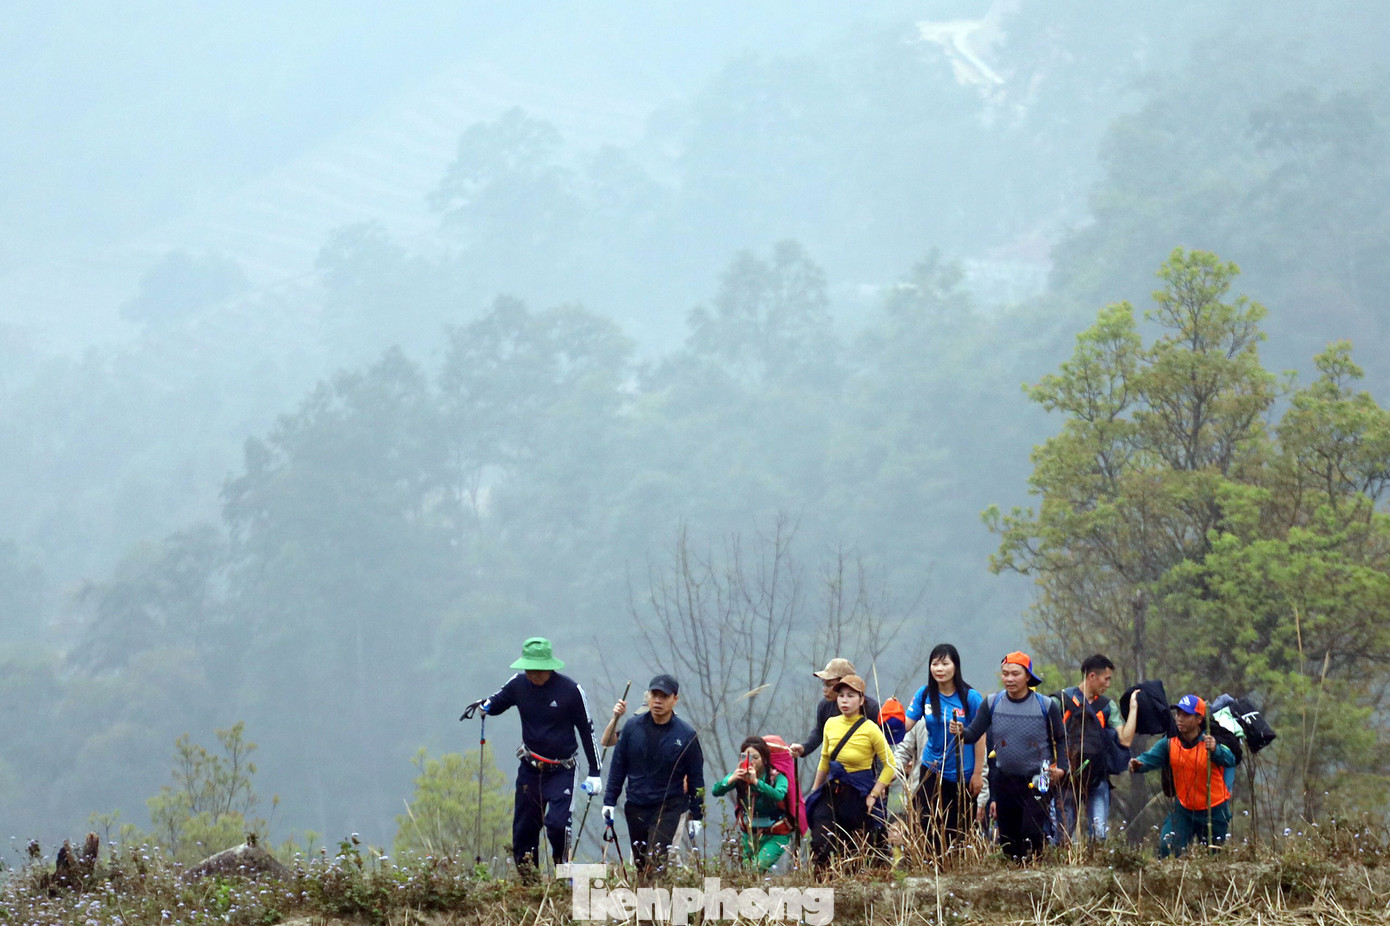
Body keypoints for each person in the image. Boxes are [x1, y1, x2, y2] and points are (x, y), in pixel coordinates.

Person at [461, 637, 601, 879]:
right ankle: (529, 883)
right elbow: (499, 700)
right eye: (529, 669)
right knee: (524, 830)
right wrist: (486, 706)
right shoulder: (518, 684)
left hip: (562, 769)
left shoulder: (571, 691)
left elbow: (587, 730)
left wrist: (595, 772)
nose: (533, 675)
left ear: (550, 666)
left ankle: (563, 874)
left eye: (539, 669)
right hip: (530, 769)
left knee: (557, 825)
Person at [950, 652, 1068, 860]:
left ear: (1028, 676)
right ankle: (1016, 870)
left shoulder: (1046, 705)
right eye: (1005, 674)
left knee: (1031, 830)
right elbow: (973, 734)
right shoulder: (992, 703)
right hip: (1004, 777)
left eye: (1015, 674)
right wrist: (960, 732)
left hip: (1040, 778)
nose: (1009, 679)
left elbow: (1061, 738)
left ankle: (1035, 866)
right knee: (1008, 838)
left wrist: (1062, 768)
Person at [602, 674, 705, 877]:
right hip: (636, 804)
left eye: (664, 696)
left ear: (675, 699)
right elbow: (618, 766)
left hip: (668, 807)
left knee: (656, 861)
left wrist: (697, 814)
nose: (658, 701)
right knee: (640, 864)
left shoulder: (685, 734)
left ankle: (657, 895)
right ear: (648, 696)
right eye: (654, 695)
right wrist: (609, 801)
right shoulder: (632, 727)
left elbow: (696, 777)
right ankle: (646, 896)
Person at [805, 674, 895, 871]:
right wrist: (815, 790)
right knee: (820, 839)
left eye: (850, 696)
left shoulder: (870, 729)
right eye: (841, 696)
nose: (844, 700)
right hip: (833, 789)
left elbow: (890, 765)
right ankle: (821, 880)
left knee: (855, 847)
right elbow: (825, 760)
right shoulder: (831, 724)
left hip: (858, 793)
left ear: (861, 700)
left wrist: (874, 794)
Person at [1128, 694, 1237, 857]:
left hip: (1214, 810)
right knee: (1168, 848)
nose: (1180, 718)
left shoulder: (1210, 740)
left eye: (1186, 715)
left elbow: (1230, 760)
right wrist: (1138, 764)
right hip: (1184, 809)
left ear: (1199, 719)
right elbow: (1150, 758)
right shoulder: (1170, 741)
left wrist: (1215, 750)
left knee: (1213, 857)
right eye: (1178, 713)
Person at [902, 644, 985, 853]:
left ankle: (958, 867)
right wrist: (890, 716)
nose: (939, 669)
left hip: (963, 772)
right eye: (935, 664)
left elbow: (980, 735)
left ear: (955, 666)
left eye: (945, 664)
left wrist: (977, 774)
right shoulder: (924, 694)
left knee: (959, 829)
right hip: (931, 768)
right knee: (927, 823)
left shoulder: (970, 697)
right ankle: (932, 865)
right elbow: (905, 726)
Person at [1054, 654, 1139, 842]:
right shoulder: (1061, 701)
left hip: (1097, 776)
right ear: (1092, 676)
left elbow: (1125, 740)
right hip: (1066, 778)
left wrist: (1134, 709)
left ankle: (1095, 860)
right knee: (1063, 836)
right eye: (1106, 679)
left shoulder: (1107, 706)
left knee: (1099, 835)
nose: (1108, 684)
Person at [711, 736, 792, 871]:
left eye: (755, 758)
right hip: (748, 834)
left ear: (764, 759)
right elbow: (716, 791)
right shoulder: (739, 775)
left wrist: (756, 783)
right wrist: (731, 779)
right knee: (745, 872)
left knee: (756, 868)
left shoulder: (775, 776)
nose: (751, 761)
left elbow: (779, 795)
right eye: (746, 757)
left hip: (775, 834)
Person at [790, 658, 882, 759]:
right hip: (836, 764)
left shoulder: (871, 708)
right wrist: (804, 748)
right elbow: (819, 732)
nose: (824, 689)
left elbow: (882, 745)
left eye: (829, 685)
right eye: (824, 684)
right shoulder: (825, 706)